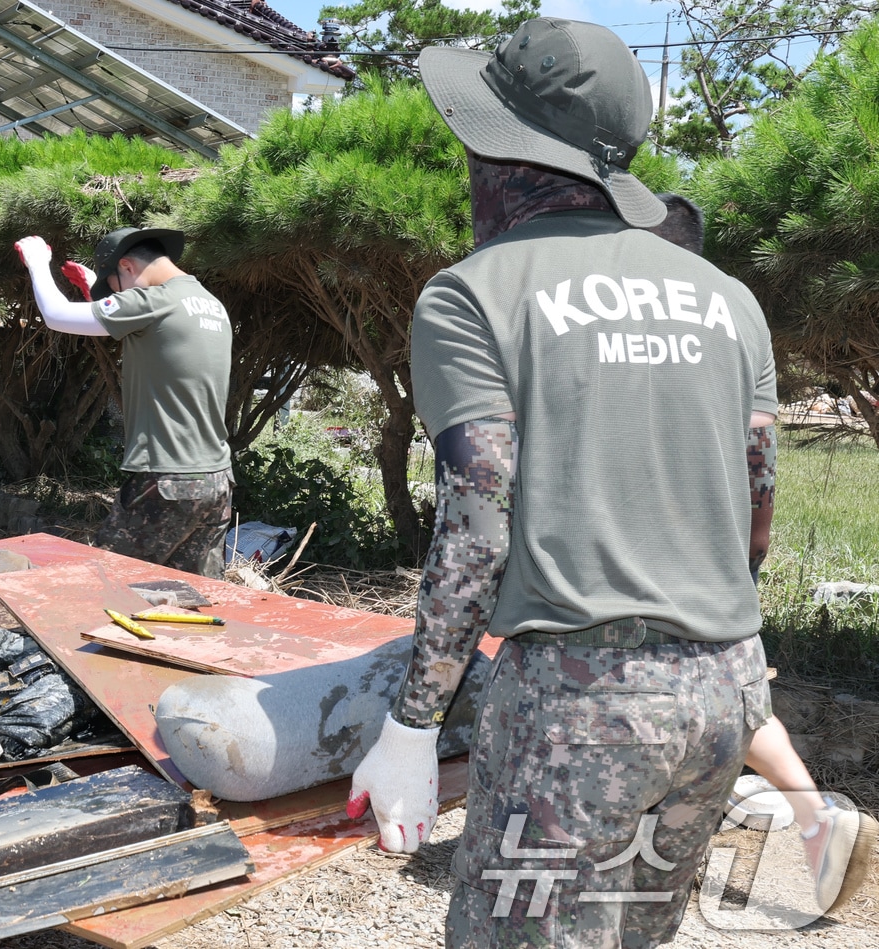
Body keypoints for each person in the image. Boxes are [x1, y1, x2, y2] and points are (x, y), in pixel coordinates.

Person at [346, 18, 779, 946]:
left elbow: (478, 525)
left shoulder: (474, 292)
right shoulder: (729, 300)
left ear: (497, 152)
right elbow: (758, 507)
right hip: (727, 693)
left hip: (581, 709)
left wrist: (414, 725)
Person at [14, 227, 233, 578]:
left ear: (128, 266)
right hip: (215, 481)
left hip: (167, 480)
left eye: (115, 286)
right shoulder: (209, 304)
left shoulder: (154, 300)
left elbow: (56, 315)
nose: (117, 295)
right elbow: (145, 328)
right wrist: (98, 288)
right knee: (188, 593)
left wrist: (38, 263)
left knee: (109, 587)